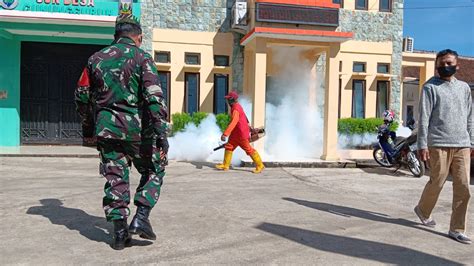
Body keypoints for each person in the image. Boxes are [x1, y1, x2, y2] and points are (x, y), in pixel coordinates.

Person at [74, 15, 169, 250]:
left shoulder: (95, 59)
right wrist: (161, 133)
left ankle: (119, 234)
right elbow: (154, 97)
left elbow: (82, 95)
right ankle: (141, 217)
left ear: (116, 36)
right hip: (139, 132)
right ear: (138, 37)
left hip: (107, 131)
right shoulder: (142, 58)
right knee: (154, 169)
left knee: (115, 178)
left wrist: (88, 129)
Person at [414, 49, 472, 244]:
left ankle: (457, 228)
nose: (445, 66)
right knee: (437, 181)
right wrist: (422, 144)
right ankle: (423, 210)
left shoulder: (464, 88)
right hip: (438, 143)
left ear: (457, 65)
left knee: (463, 187)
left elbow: (470, 116)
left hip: (462, 144)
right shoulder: (430, 87)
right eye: (441, 63)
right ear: (437, 65)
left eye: (448, 63)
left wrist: (471, 140)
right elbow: (424, 118)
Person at [215, 91, 265, 173]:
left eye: (228, 99)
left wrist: (225, 134)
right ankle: (225, 165)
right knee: (229, 147)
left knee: (249, 150)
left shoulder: (236, 109)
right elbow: (245, 117)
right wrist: (249, 126)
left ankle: (260, 165)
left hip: (241, 134)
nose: (227, 101)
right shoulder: (236, 106)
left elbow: (234, 122)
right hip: (236, 133)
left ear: (231, 100)